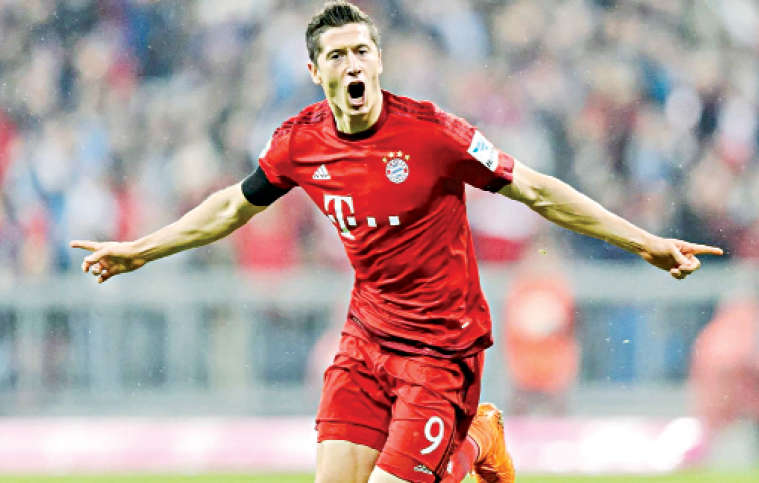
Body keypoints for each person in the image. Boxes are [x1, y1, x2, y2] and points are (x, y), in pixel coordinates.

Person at [70, 2, 723, 482]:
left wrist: (642, 241)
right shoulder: (299, 142)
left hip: (441, 352)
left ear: (378, 60)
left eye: (361, 51)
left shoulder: (433, 134)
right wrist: (140, 250)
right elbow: (231, 207)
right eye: (336, 55)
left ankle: (478, 437)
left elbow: (538, 190)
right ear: (314, 70)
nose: (352, 63)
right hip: (365, 343)